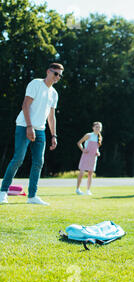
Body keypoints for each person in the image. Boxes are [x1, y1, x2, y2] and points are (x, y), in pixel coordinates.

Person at [0, 63, 64, 206]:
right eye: (56, 74)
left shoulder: (54, 94)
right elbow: (25, 105)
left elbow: (51, 117)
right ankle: (3, 192)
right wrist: (29, 127)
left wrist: (54, 135)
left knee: (38, 162)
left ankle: (32, 196)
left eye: (60, 75)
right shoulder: (35, 83)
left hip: (40, 130)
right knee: (18, 159)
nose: (57, 77)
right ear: (48, 71)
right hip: (24, 126)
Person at [76, 122, 103, 195]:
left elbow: (97, 148)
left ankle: (88, 190)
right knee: (81, 173)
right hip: (86, 156)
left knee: (90, 174)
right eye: (96, 127)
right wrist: (83, 150)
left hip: (93, 157)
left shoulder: (99, 137)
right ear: (93, 128)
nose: (98, 129)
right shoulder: (88, 135)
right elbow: (79, 143)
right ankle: (78, 189)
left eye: (99, 127)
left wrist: (98, 152)